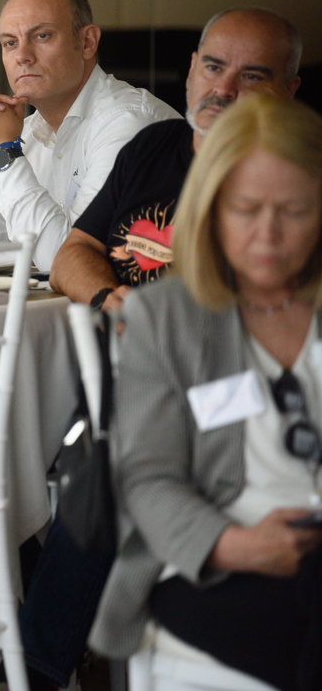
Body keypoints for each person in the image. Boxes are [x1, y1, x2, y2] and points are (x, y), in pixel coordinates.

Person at [89, 96, 322, 691]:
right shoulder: (166, 317)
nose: (267, 234)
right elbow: (146, 479)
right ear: (211, 209)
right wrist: (238, 547)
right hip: (217, 564)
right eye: (245, 209)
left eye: (293, 210)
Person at [51, 8, 303, 311]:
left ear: (289, 91)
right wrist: (110, 299)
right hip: (122, 346)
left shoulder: (296, 178)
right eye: (213, 68)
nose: (224, 89)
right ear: (192, 69)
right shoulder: (152, 145)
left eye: (250, 76)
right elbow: (72, 254)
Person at [0, 0, 178, 270]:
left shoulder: (129, 125)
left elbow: (68, 263)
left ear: (87, 43)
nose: (22, 56)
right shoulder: (27, 132)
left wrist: (3, 155)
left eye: (42, 36)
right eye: (10, 42)